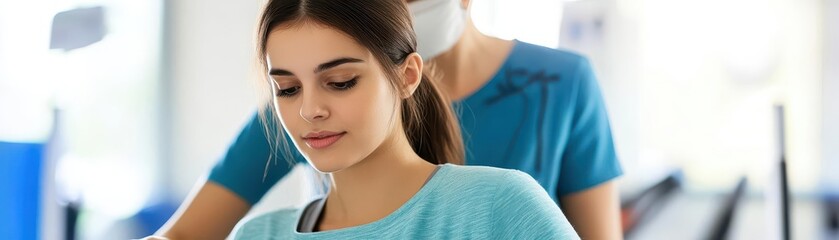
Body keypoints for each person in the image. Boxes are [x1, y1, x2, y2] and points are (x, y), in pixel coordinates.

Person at [156, 0, 623, 239]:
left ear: (407, 75)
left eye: (340, 82)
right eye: (287, 89)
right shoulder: (260, 234)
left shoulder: (505, 203)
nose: (310, 110)